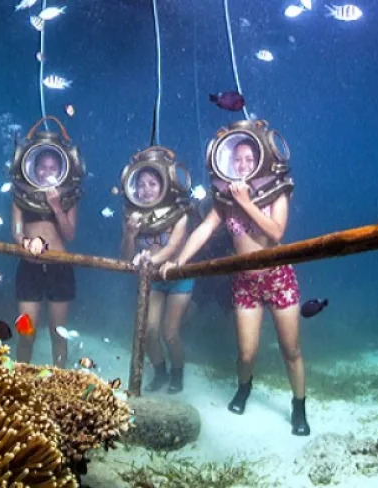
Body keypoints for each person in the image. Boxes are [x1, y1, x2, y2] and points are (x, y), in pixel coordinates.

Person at [160, 138, 310, 436]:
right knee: (245, 353)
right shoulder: (225, 200)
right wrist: (179, 260)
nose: (242, 165)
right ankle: (244, 388)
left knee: (291, 350)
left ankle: (299, 406)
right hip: (245, 282)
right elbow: (204, 229)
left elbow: (277, 231)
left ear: (261, 161)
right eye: (237, 159)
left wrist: (246, 202)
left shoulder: (276, 192)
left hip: (278, 278)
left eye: (248, 159)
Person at [120, 168, 192, 393]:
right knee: (150, 332)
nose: (146, 190)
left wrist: (148, 260)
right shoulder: (132, 216)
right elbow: (126, 256)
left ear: (164, 186)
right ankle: (161, 373)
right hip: (152, 279)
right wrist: (130, 234)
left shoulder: (179, 215)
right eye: (141, 185)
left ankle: (177, 373)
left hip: (178, 277)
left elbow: (172, 247)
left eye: (152, 183)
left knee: (170, 333)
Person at [11, 149, 78, 368]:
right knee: (25, 332)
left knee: (58, 333)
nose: (46, 172)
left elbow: (69, 234)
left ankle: (58, 380)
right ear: (33, 167)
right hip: (29, 267)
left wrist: (56, 206)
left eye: (52, 168)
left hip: (60, 269)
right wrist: (24, 241)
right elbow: (16, 231)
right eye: (42, 166)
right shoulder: (21, 196)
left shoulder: (68, 198)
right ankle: (20, 376)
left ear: (61, 171)